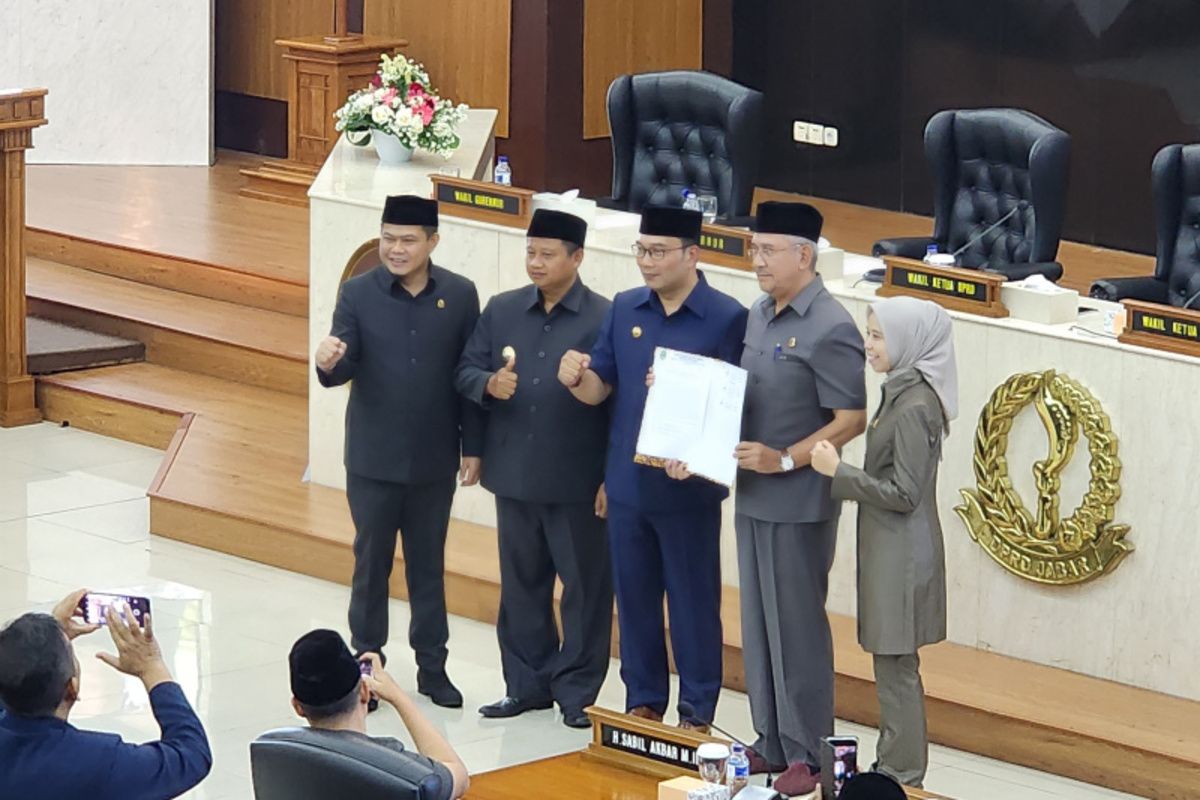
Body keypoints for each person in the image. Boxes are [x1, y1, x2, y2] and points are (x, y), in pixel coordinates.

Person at [558, 205, 747, 731]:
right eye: (641, 250)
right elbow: (602, 388)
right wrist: (577, 377)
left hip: (688, 491)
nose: (647, 262)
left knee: (691, 603)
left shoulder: (727, 317)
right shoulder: (624, 309)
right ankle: (643, 700)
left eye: (658, 252)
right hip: (627, 486)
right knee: (635, 601)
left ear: (693, 254)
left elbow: (733, 405)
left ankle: (697, 710)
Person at [316, 195, 485, 708]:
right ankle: (366, 669)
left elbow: (468, 374)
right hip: (372, 458)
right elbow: (341, 366)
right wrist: (327, 363)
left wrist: (472, 447)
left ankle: (433, 668)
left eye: (408, 240)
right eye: (388, 238)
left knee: (427, 565)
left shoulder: (459, 295)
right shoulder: (357, 293)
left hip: (434, 458)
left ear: (433, 242)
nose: (396, 249)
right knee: (370, 564)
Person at [456, 209, 612, 729]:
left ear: (577, 257)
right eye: (530, 252)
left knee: (584, 590)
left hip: (577, 482)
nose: (536, 263)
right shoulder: (501, 310)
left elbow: (621, 404)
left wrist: (612, 477)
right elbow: (466, 371)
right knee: (521, 586)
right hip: (514, 473)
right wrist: (487, 386)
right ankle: (525, 685)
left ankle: (576, 692)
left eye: (548, 254)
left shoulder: (603, 317)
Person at [734, 201, 868, 796]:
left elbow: (852, 417)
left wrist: (785, 457)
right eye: (754, 249)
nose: (756, 261)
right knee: (758, 622)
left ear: (805, 256)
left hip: (798, 498)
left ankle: (810, 752)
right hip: (752, 493)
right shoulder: (760, 314)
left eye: (768, 251)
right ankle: (770, 739)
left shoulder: (832, 325)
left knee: (797, 627)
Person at [811, 296, 956, 788]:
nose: (867, 345)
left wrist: (840, 472)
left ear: (908, 342)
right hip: (888, 551)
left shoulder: (915, 405)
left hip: (902, 557)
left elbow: (905, 493)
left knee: (897, 671)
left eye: (876, 336)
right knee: (890, 667)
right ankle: (893, 766)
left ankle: (902, 774)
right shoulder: (900, 392)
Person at [0, 589, 212, 800]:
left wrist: (47, 641)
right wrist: (152, 667)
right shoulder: (100, 761)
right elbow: (191, 754)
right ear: (72, 689)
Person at [286, 629, 469, 799]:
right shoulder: (394, 766)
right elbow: (457, 776)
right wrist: (398, 697)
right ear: (365, 692)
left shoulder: (280, 756)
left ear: (297, 707)